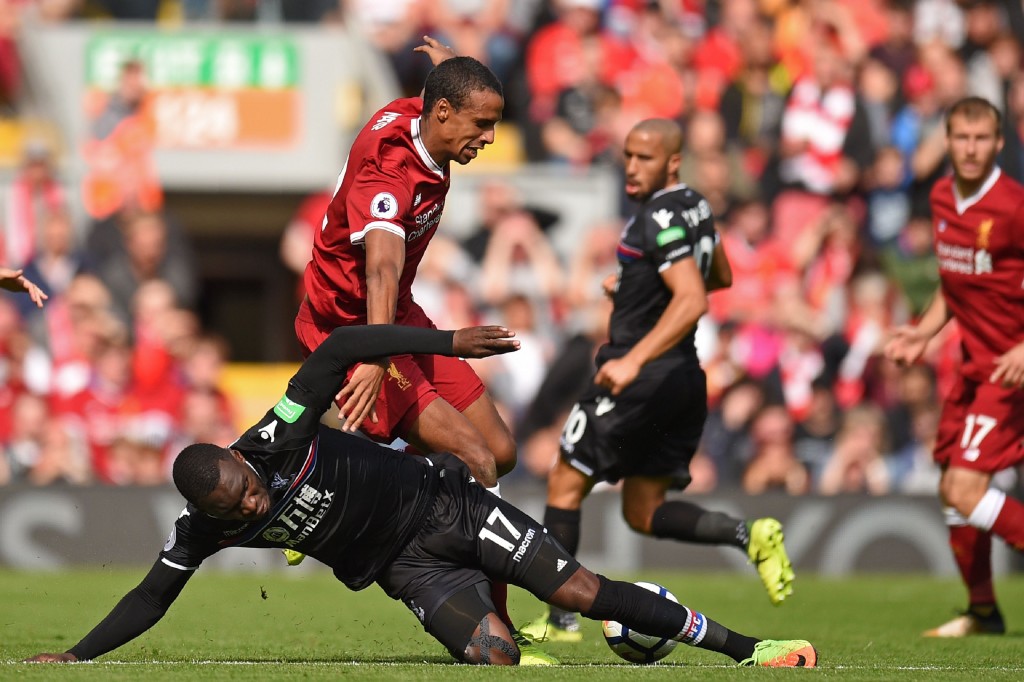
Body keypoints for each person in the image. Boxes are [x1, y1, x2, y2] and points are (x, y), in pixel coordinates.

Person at [24, 323, 817, 668]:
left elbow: (337, 347)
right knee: (497, 658)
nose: (255, 496)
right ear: (215, 511)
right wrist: (75, 656)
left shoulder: (276, 437)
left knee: (580, 588)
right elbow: (150, 597)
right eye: (242, 503)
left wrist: (443, 345)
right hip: (407, 570)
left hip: (448, 505)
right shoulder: (202, 529)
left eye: (248, 481)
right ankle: (514, 619)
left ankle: (749, 649)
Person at [294, 36, 533, 656]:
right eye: (482, 125)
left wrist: (452, 65)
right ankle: (500, 622)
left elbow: (442, 92)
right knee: (478, 462)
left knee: (501, 453)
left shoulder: (421, 113)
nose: (488, 139)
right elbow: (379, 267)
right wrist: (373, 355)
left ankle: (339, 466)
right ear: (445, 114)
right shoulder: (389, 176)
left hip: (398, 311)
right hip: (352, 324)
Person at [522, 119, 795, 643]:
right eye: (628, 154)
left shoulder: (657, 214)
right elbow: (721, 276)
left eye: (645, 158)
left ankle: (560, 621)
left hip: (640, 377)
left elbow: (694, 297)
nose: (631, 166)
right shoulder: (694, 204)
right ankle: (748, 535)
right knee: (643, 511)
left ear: (673, 162)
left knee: (565, 479)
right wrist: (633, 285)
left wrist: (631, 360)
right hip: (684, 379)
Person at [884, 96, 1024, 638]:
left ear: (998, 143)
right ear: (947, 140)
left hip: (1010, 374)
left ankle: (984, 610)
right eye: (961, 138)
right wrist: (922, 332)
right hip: (972, 369)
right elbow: (955, 279)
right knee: (952, 489)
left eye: (981, 138)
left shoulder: (1013, 206)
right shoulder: (942, 197)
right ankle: (984, 612)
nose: (970, 149)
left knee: (966, 491)